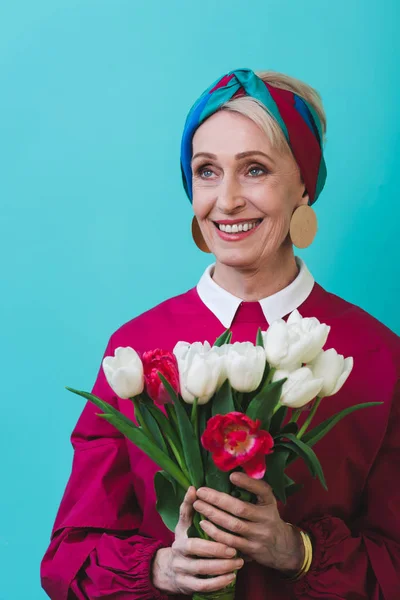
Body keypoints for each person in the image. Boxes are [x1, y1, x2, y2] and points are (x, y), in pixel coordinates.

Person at [41, 68, 400, 600]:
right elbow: (67, 558)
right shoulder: (136, 349)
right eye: (206, 172)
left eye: (254, 169)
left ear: (304, 182)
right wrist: (161, 568)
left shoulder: (375, 355)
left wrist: (296, 551)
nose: (226, 200)